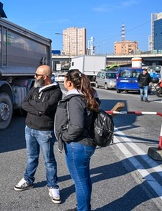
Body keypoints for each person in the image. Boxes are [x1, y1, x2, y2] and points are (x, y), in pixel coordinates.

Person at [14, 65, 62, 204]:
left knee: (49, 160)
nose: (34, 77)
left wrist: (36, 107)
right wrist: (38, 109)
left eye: (37, 75)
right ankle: (28, 180)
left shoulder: (56, 92)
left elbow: (45, 108)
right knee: (31, 157)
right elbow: (24, 104)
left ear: (45, 77)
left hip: (44, 131)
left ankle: (53, 186)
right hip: (29, 128)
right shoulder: (35, 87)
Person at [54, 69, 100, 211]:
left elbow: (77, 126)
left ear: (69, 83)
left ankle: (83, 209)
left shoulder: (75, 99)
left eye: (64, 80)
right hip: (86, 144)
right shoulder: (88, 95)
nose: (63, 82)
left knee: (80, 182)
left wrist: (64, 137)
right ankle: (83, 207)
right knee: (84, 179)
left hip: (77, 146)